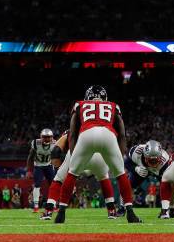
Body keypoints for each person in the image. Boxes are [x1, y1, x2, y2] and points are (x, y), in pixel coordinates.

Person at [55, 85, 141, 223]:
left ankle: (61, 213)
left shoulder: (79, 104)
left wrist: (73, 153)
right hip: (108, 135)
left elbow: (72, 132)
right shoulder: (114, 106)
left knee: (72, 173)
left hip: (86, 134)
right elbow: (122, 134)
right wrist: (121, 155)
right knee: (120, 174)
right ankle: (130, 213)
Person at [40, 129, 116, 220]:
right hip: (99, 154)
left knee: (58, 179)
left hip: (79, 153)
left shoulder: (69, 133)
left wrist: (57, 167)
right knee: (104, 177)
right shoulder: (94, 130)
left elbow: (56, 151)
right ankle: (111, 210)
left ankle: (49, 210)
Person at [26, 128, 56, 212]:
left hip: (49, 165)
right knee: (37, 185)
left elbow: (58, 156)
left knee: (53, 185)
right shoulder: (36, 143)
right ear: (41, 137)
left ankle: (53, 205)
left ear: (51, 137)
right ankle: (36, 206)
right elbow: (30, 157)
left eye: (48, 137)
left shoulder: (55, 143)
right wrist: (29, 170)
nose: (47, 139)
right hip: (38, 166)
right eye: (45, 137)